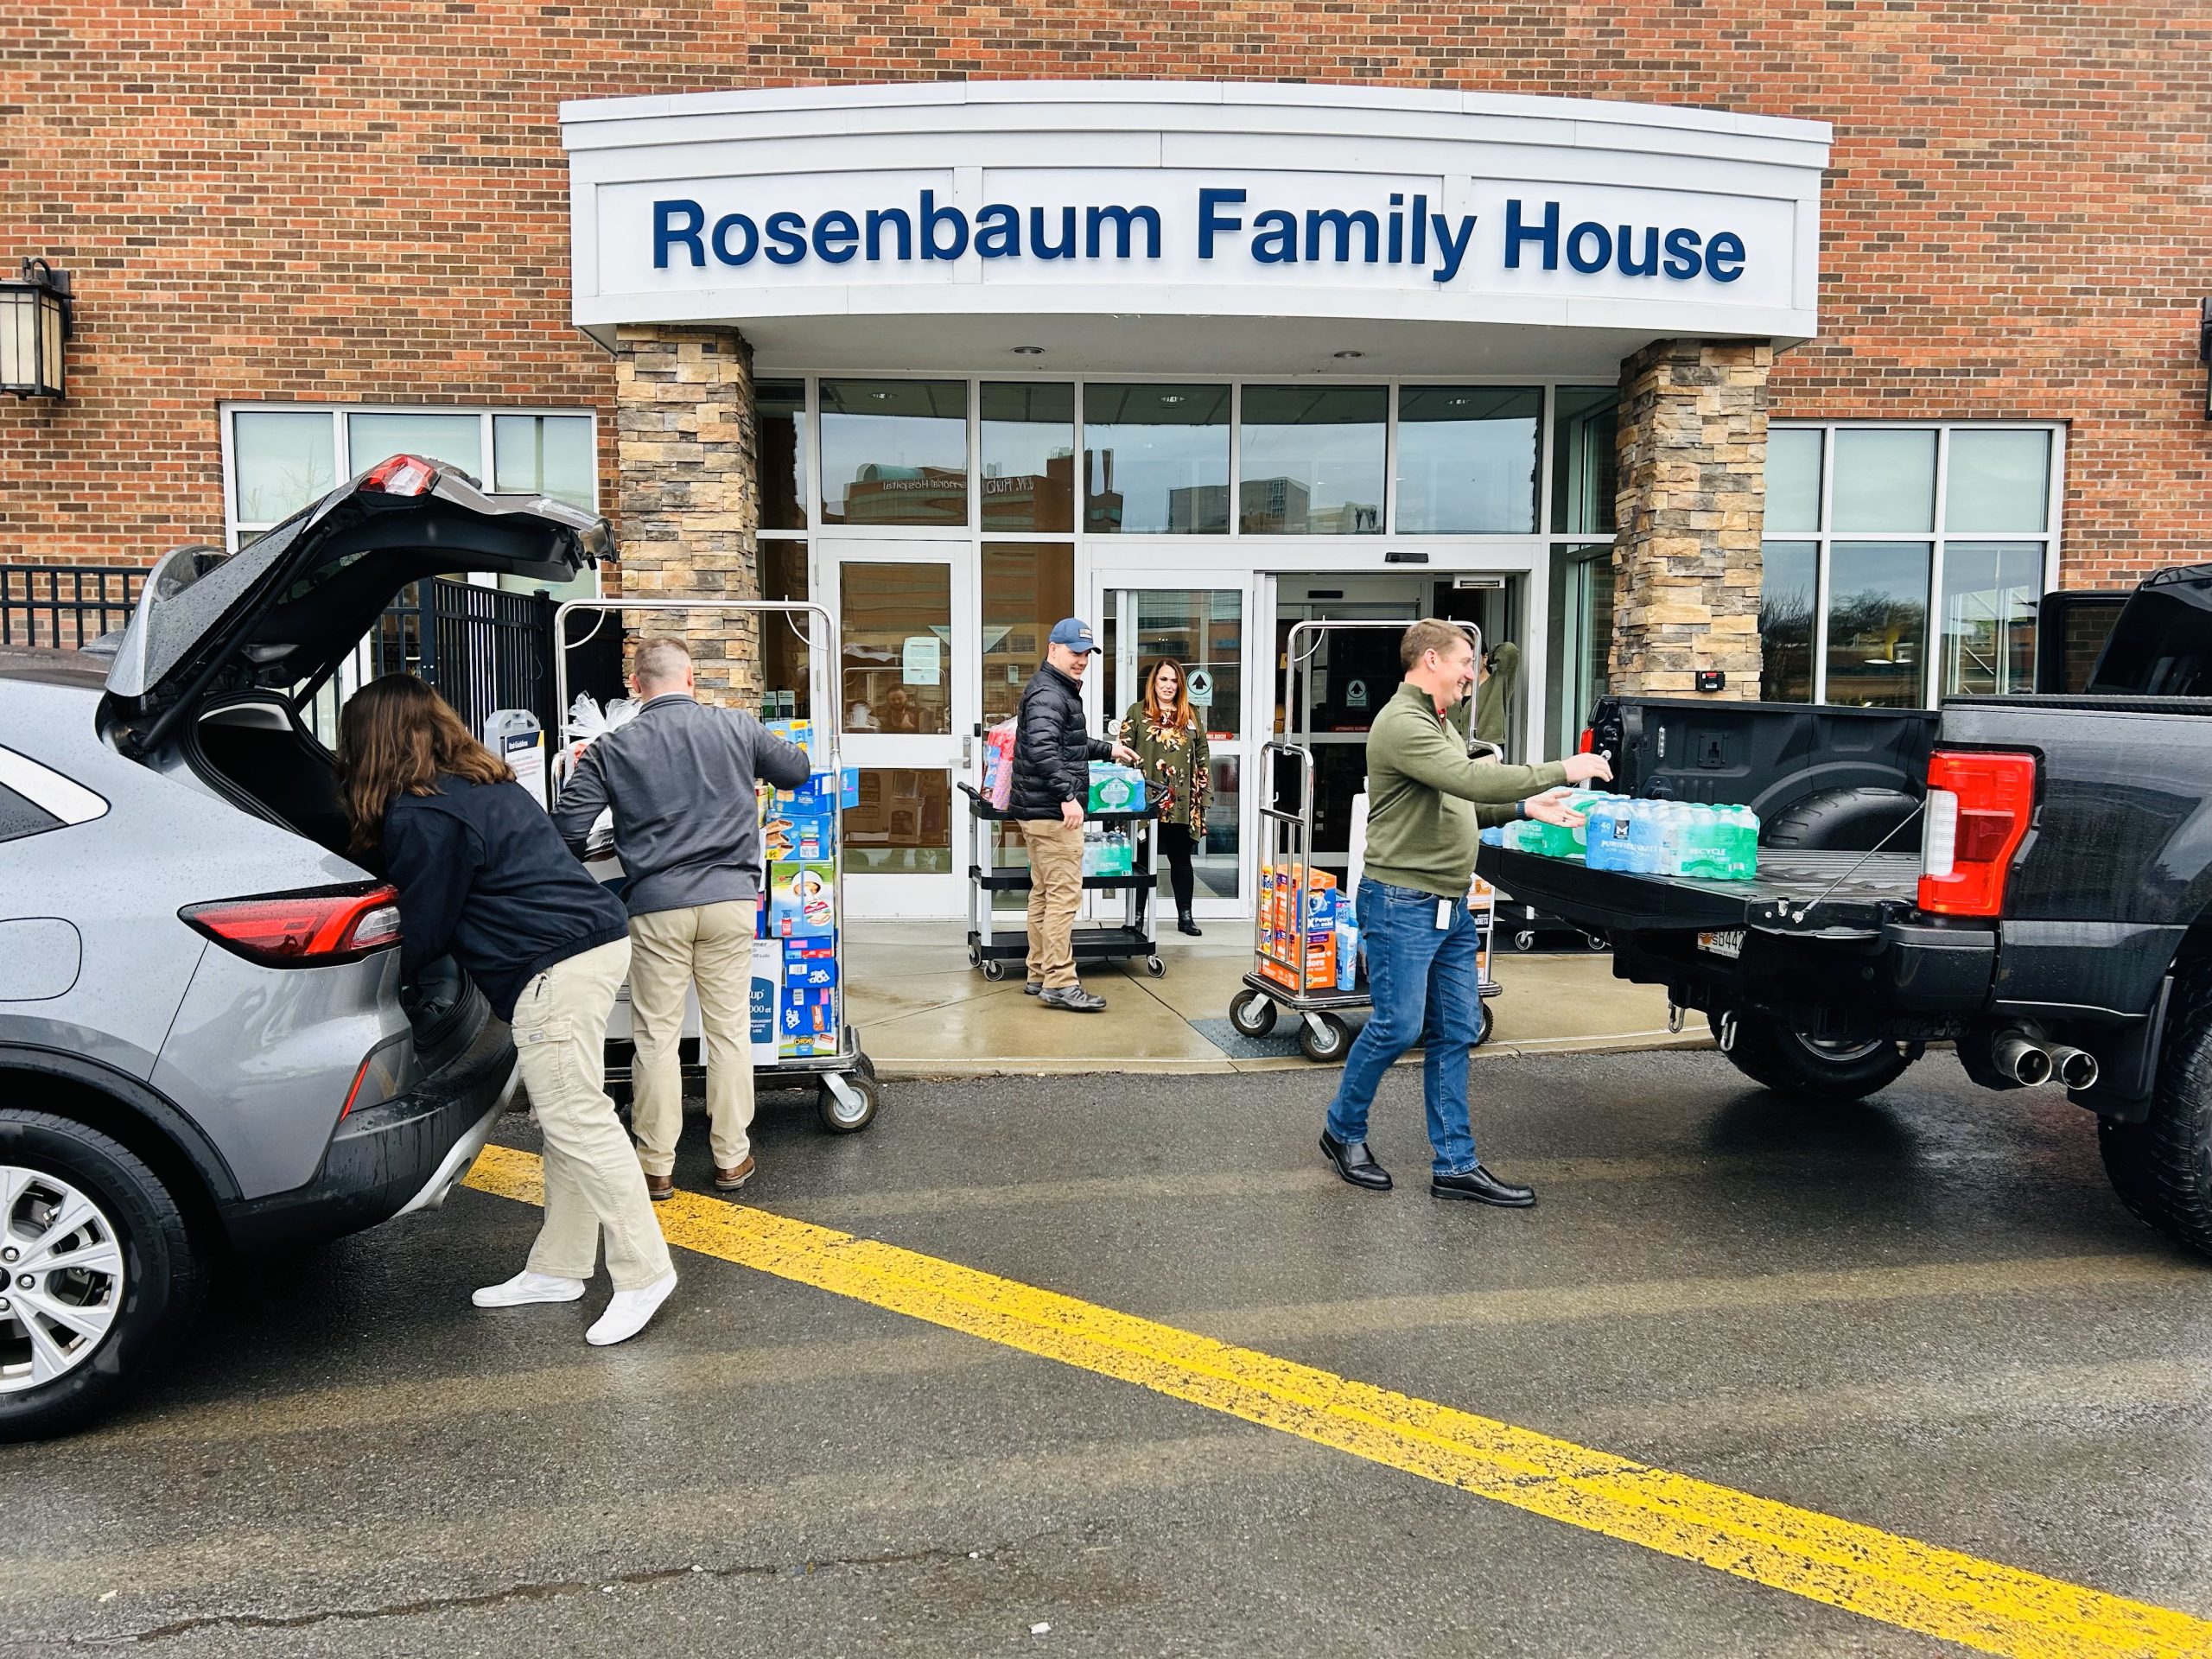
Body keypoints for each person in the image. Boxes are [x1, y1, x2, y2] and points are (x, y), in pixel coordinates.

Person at [337, 675, 677, 1347]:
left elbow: (425, 927)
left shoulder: (423, 814)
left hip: (553, 968)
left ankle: (645, 1272)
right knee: (569, 1119)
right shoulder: (486, 783)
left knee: (577, 1120)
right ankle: (559, 1268)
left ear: (370, 743)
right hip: (592, 945)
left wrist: (372, 986)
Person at [1319, 619, 1613, 1207]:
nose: (1471, 678)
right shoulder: (1402, 724)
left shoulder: (1440, 723)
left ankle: (1455, 1165)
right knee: (1398, 1027)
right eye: (1464, 665)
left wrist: (1526, 808)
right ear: (1430, 660)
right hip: (1401, 901)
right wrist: (1563, 768)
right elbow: (1469, 779)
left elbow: (1461, 804)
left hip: (1447, 904)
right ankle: (1342, 1131)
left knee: (1456, 1029)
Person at [552, 638, 811, 1199]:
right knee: (729, 1031)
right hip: (730, 902)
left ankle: (656, 1166)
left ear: (635, 685)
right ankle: (731, 1158)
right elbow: (796, 770)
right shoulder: (735, 727)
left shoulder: (612, 747)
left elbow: (568, 828)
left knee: (655, 1036)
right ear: (691, 678)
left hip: (656, 906)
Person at [1009, 616, 1140, 1012]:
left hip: (1039, 810)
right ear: (1053, 649)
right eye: (1074, 652)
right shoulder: (1050, 693)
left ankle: (1038, 973)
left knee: (1044, 894)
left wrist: (1109, 750)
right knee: (1063, 898)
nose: (1081, 660)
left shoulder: (1055, 689)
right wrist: (1067, 796)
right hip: (1053, 813)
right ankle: (1061, 982)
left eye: (1086, 653)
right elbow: (1043, 750)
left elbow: (1069, 743)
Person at [1118, 658, 1211, 938]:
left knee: (1181, 859)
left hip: (1181, 801)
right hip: (1146, 800)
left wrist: (1203, 793)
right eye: (1163, 679)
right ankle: (1136, 918)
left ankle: (1185, 917)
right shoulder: (1137, 712)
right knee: (1142, 862)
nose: (1168, 686)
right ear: (1154, 682)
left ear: (1180, 685)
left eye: (1174, 681)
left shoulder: (1190, 714)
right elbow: (1123, 752)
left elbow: (1202, 753)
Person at [1474, 639, 1522, 750]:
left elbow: (1509, 651)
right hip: (1455, 753)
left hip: (1486, 752)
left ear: (1484, 658)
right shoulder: (1458, 684)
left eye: (1473, 658)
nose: (1469, 662)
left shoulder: (1498, 682)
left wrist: (1489, 659)